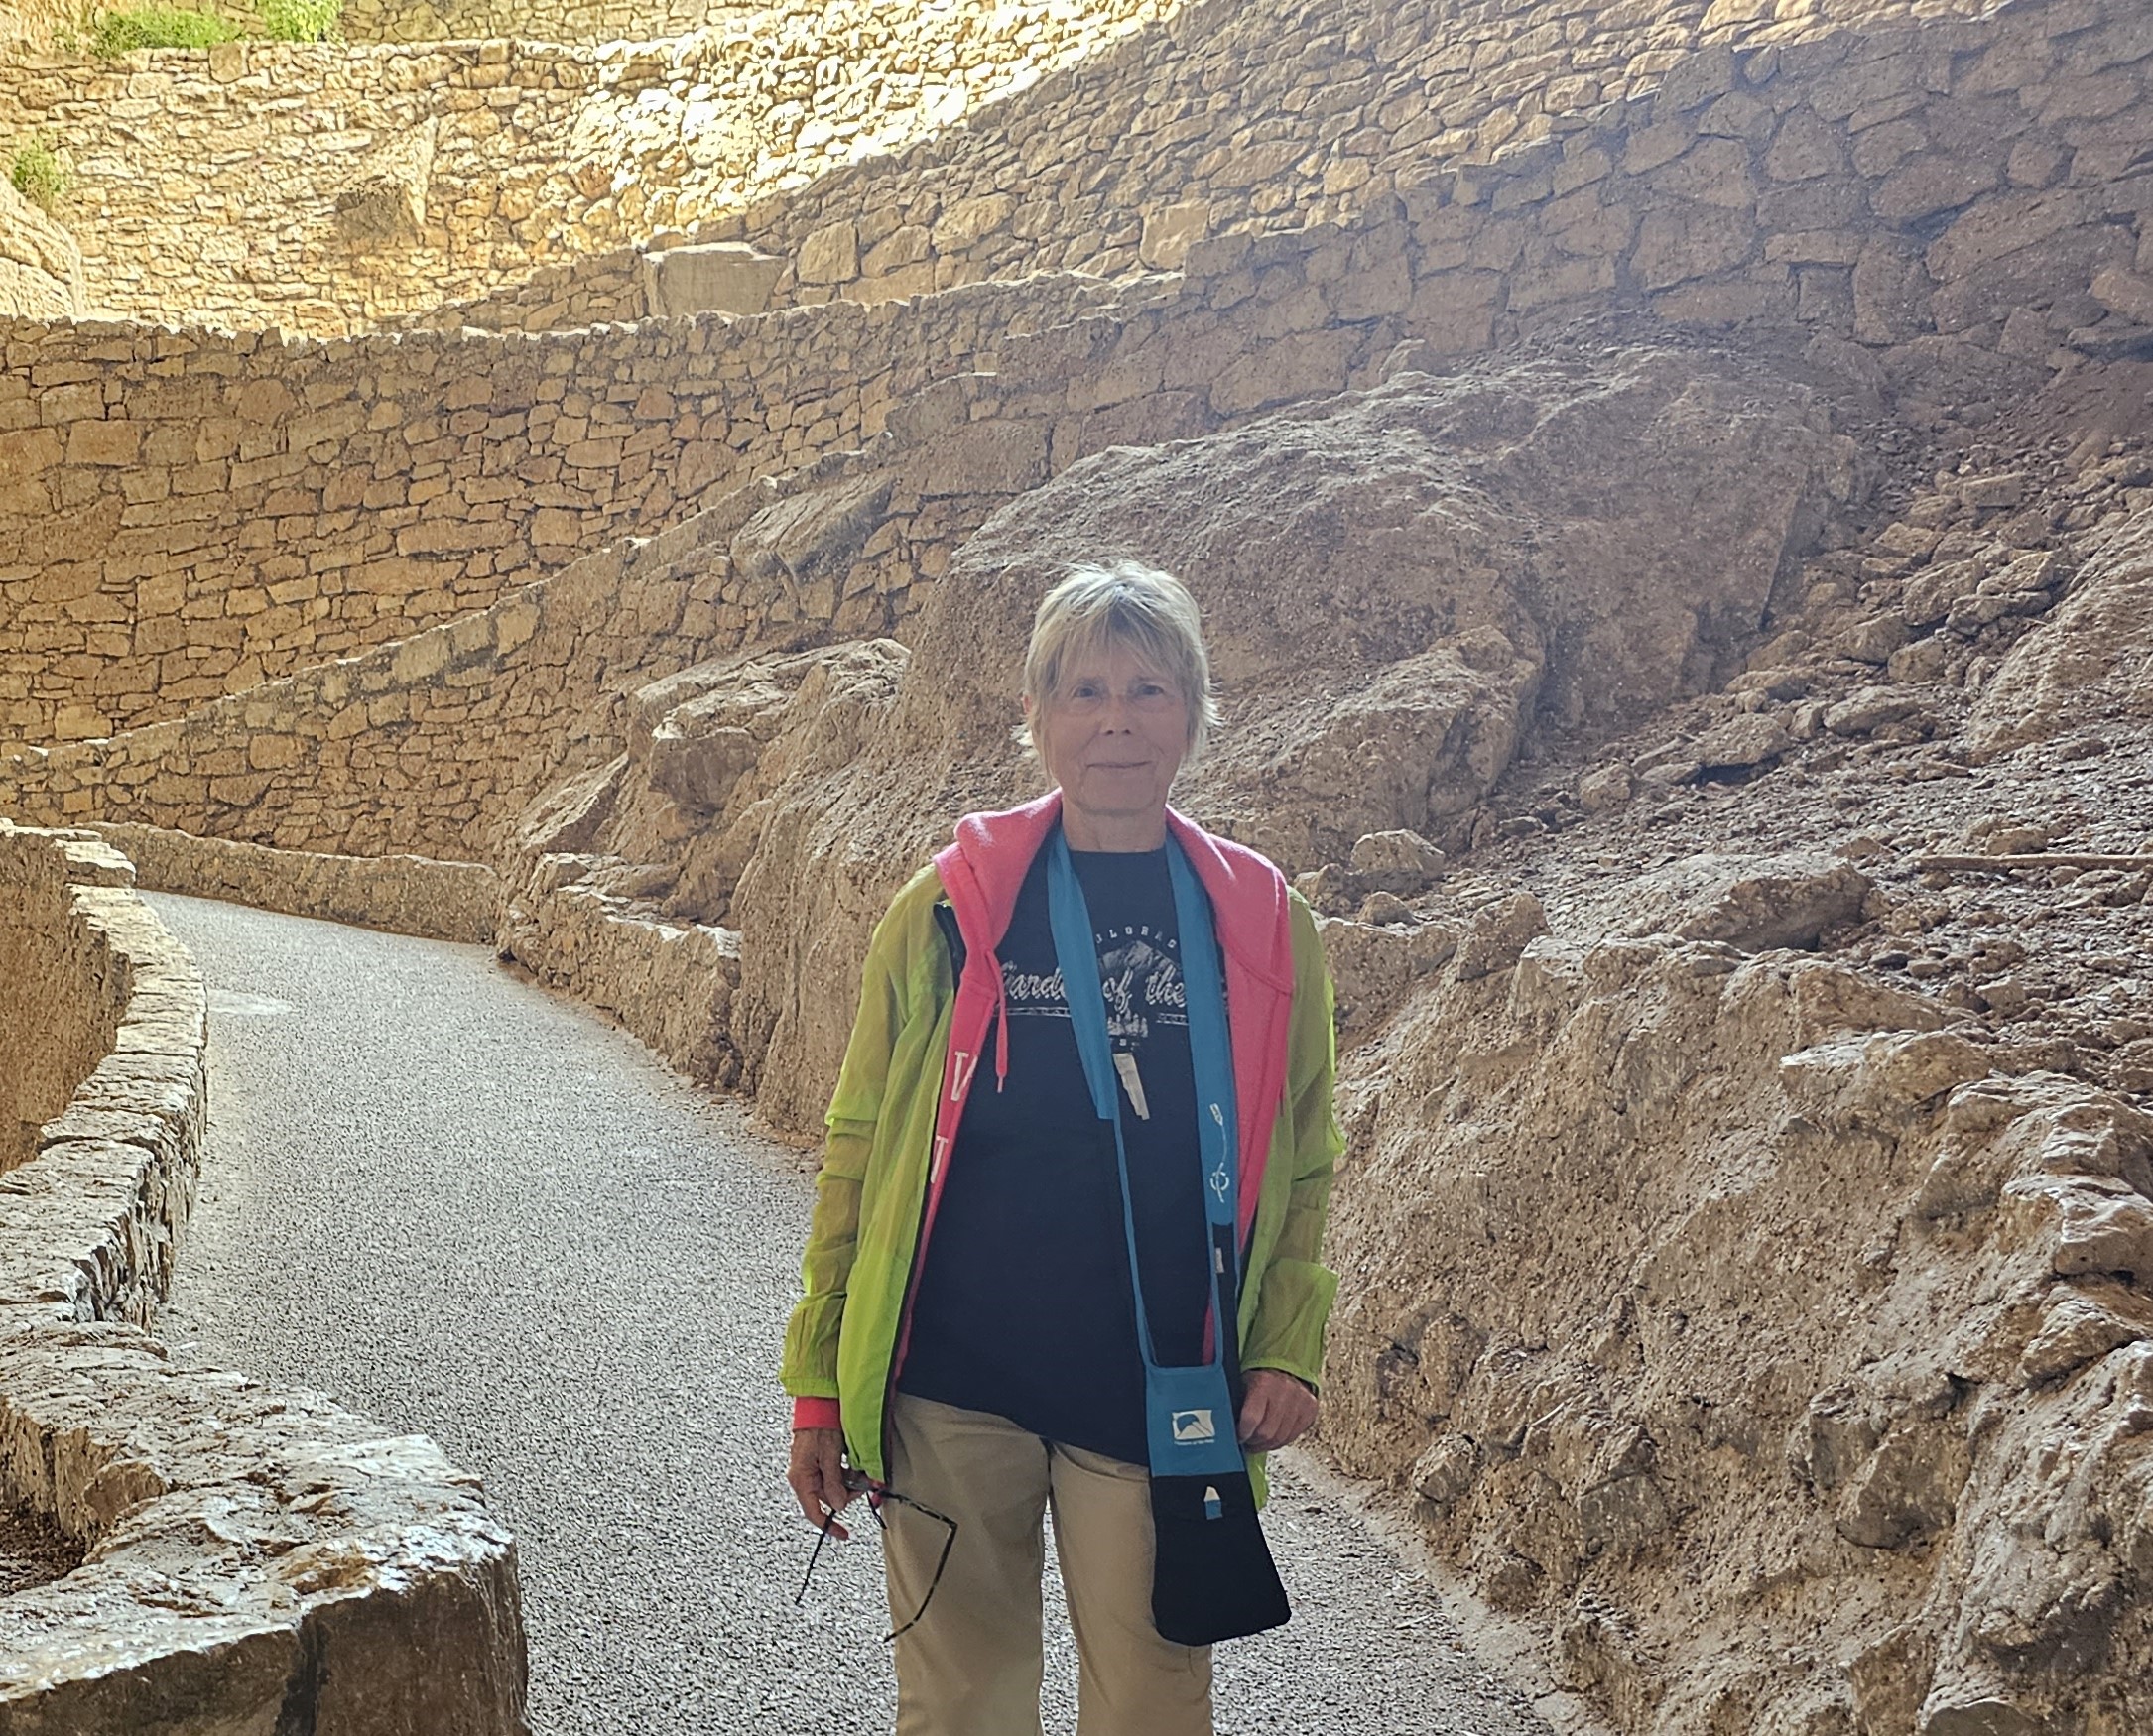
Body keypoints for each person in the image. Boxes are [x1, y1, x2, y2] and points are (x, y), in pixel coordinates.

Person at [781, 559, 1343, 1736]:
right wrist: (820, 1383)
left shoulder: (1261, 918)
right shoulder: (948, 905)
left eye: (1147, 688)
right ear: (1035, 715)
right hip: (951, 1382)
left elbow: (1303, 1154)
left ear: (1192, 710)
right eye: (1084, 689)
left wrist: (1286, 1341)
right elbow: (859, 1146)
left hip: (1158, 1382)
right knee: (958, 1705)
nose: (1116, 720)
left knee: (1151, 1701)